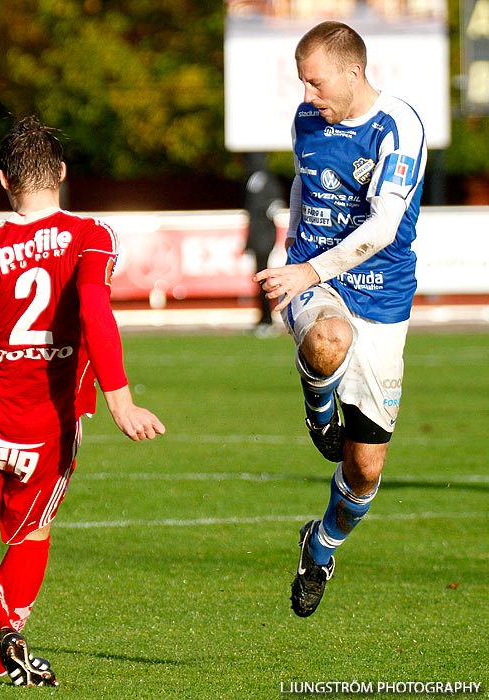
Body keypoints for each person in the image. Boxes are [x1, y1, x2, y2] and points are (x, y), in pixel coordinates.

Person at [0, 116, 165, 686]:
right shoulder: (94, 235)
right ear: (62, 173)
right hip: (49, 429)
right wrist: (121, 402)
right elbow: (95, 310)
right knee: (32, 536)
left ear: (3, 180)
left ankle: (1, 639)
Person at [254, 21, 426, 617]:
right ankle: (319, 411)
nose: (307, 96)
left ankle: (320, 547)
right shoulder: (308, 120)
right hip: (316, 282)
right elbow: (305, 181)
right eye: (303, 83)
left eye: (316, 82)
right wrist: (293, 256)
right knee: (328, 340)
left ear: (353, 72)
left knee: (366, 470)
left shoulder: (398, 128)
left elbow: (382, 228)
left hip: (381, 296)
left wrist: (310, 270)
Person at [243, 153, 285, 336]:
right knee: (259, 281)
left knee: (264, 281)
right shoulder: (253, 179)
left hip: (263, 238)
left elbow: (273, 206)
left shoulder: (263, 180)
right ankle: (263, 318)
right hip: (258, 238)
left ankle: (268, 319)